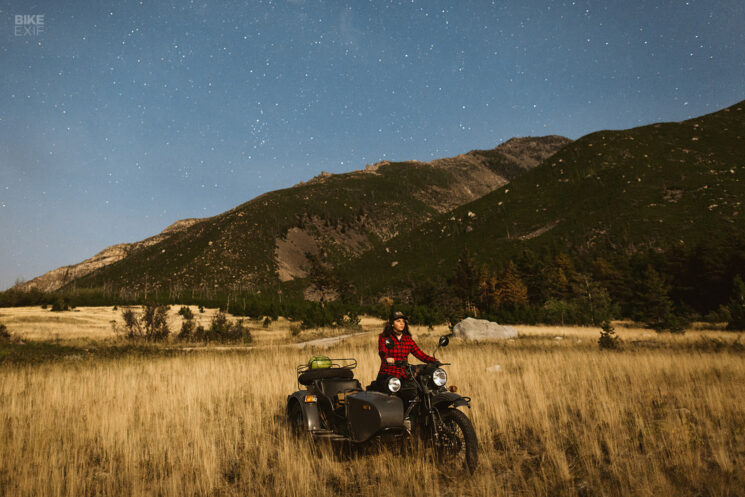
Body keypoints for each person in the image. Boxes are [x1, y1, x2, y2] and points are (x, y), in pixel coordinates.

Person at [375, 311, 439, 415]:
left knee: (416, 393)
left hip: (404, 374)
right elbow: (382, 351)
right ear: (392, 323)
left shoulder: (407, 339)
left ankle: (414, 419)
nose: (402, 323)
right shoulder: (384, 337)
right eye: (398, 321)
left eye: (403, 321)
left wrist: (433, 360)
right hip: (388, 374)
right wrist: (388, 358)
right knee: (391, 401)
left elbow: (419, 353)